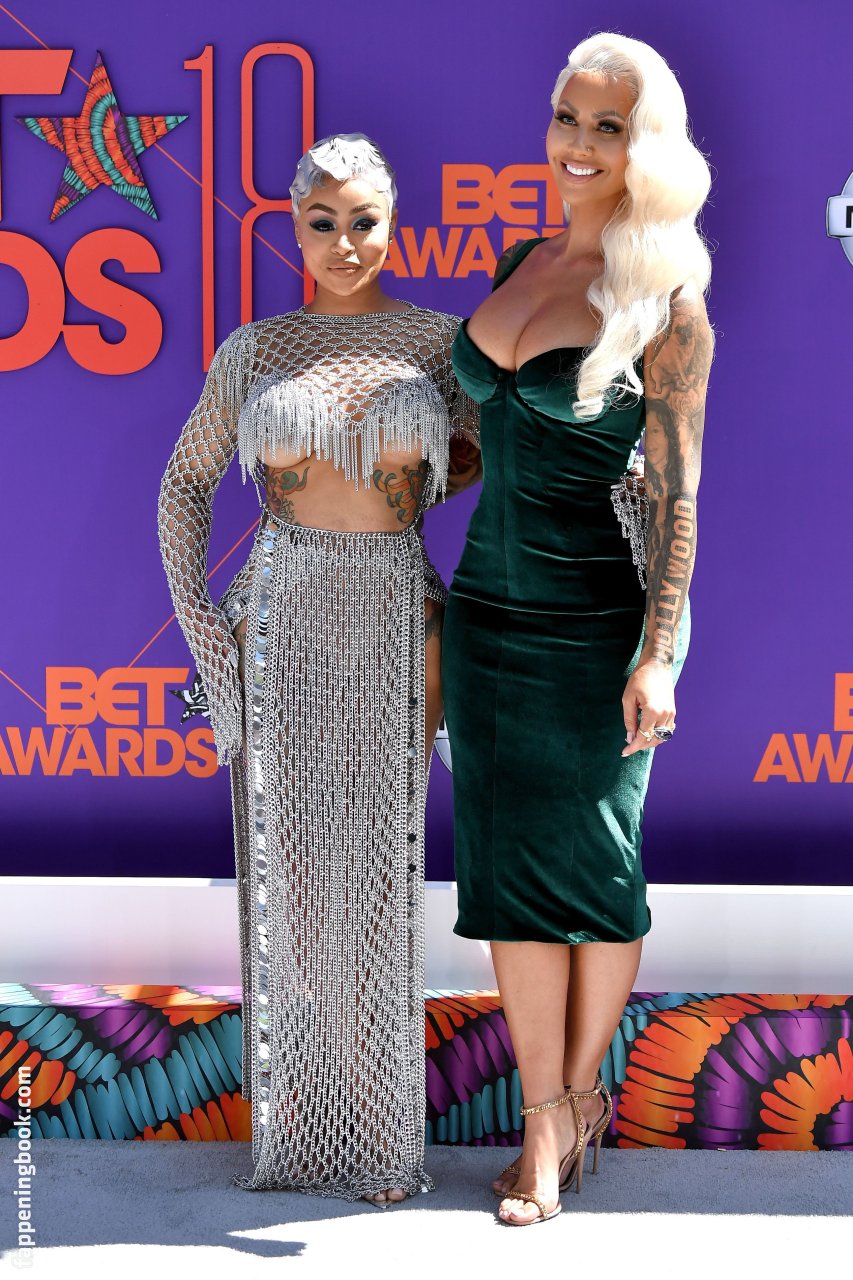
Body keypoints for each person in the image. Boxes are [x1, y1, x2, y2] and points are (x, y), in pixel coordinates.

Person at [157, 133, 479, 1205]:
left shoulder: (438, 342)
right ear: (293, 229)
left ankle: (376, 1124)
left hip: (397, 619)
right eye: (322, 222)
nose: (345, 243)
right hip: (281, 621)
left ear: (393, 224)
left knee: (381, 872)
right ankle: (316, 1107)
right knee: (293, 881)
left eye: (364, 221)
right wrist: (208, 638)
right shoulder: (256, 348)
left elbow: (504, 460)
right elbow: (184, 487)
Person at [440, 33, 713, 1226]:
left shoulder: (667, 302)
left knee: (598, 873)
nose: (579, 144)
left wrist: (659, 653)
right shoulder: (520, 258)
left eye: (609, 126)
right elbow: (485, 440)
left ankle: (565, 1111)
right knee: (506, 874)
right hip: (486, 613)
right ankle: (546, 1112)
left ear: (646, 146)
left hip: (601, 623)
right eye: (568, 117)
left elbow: (679, 496)